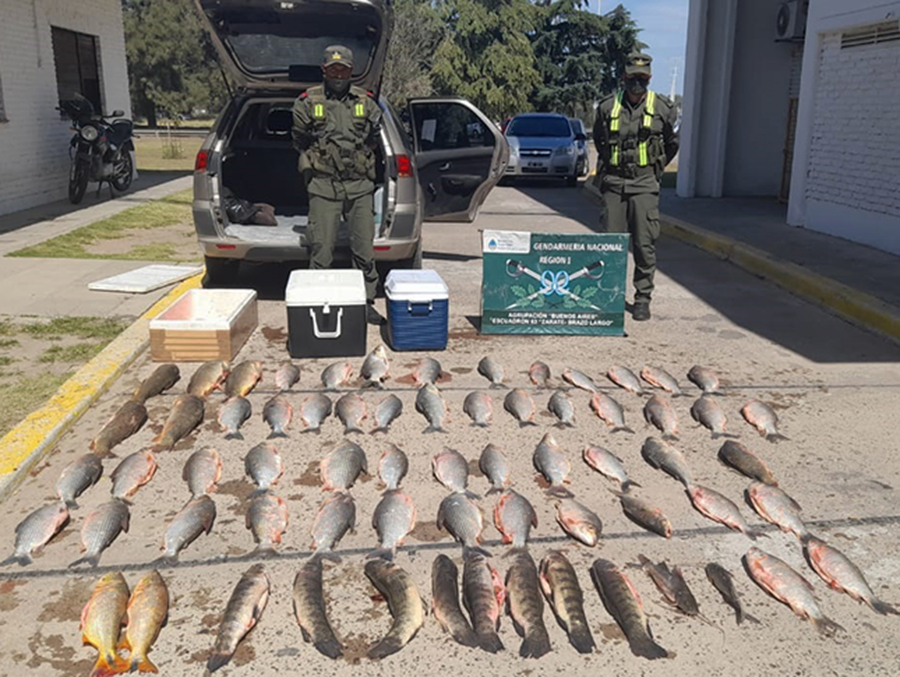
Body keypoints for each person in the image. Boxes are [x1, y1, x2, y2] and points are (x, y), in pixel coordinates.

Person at [292, 45, 383, 324]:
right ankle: (318, 303)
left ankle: (365, 301)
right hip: (324, 186)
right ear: (324, 70)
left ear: (351, 71)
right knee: (321, 249)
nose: (338, 74)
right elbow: (300, 139)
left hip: (359, 187)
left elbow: (375, 136)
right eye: (333, 70)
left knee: (364, 249)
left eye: (343, 69)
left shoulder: (365, 102)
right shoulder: (308, 101)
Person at [593, 52, 679, 321]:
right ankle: (610, 295)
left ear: (650, 78)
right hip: (615, 183)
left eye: (642, 78)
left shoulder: (663, 108)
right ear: (624, 77)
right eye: (632, 77)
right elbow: (599, 140)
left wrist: (655, 168)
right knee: (610, 244)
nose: (637, 83)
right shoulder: (608, 107)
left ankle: (642, 298)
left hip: (644, 184)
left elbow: (672, 143)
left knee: (644, 244)